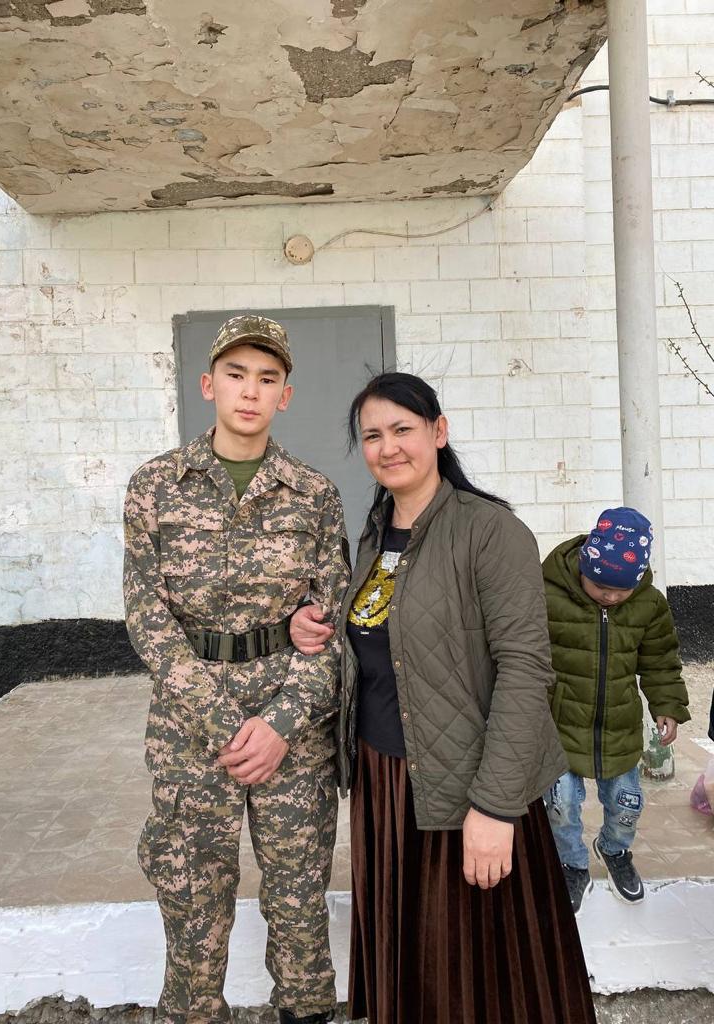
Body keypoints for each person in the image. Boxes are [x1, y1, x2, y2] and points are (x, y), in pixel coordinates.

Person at [291, 371, 595, 1024]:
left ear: (438, 432)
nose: (387, 447)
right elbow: (387, 639)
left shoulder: (489, 530)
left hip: (469, 786)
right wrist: (318, 627)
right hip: (385, 784)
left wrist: (495, 808)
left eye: (402, 429)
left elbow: (525, 670)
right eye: (372, 435)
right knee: (416, 972)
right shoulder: (376, 533)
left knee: (477, 979)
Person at [123, 314, 350, 1024]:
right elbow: (147, 618)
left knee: (298, 898)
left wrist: (280, 724)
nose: (250, 392)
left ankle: (306, 1012)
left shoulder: (314, 494)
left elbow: (332, 628)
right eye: (236, 375)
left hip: (291, 728)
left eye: (267, 378)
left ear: (285, 395)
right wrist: (224, 723)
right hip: (191, 729)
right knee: (192, 898)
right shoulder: (155, 486)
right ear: (207, 385)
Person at [542, 508, 690, 912]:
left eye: (620, 590)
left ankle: (614, 849)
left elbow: (661, 660)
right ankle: (572, 863)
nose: (610, 596)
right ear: (584, 566)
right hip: (559, 725)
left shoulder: (649, 605)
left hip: (619, 726)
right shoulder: (547, 595)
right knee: (560, 806)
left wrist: (667, 706)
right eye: (600, 586)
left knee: (626, 804)